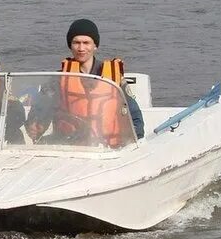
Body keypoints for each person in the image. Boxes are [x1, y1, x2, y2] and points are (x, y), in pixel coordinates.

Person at [27, 18, 144, 146]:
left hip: (107, 149)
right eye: (76, 43)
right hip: (69, 146)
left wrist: (133, 143)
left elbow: (134, 115)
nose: (81, 48)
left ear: (95, 46)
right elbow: (40, 110)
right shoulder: (58, 78)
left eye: (86, 43)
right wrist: (35, 124)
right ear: (70, 45)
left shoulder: (114, 77)